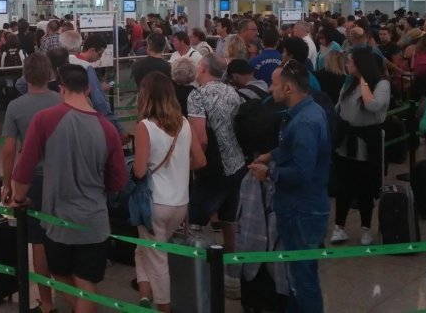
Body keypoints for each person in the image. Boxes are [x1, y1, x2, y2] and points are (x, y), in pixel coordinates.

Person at [11, 64, 127, 313]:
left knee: (58, 273)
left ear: (61, 89)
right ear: (88, 89)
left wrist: (18, 197)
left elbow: (24, 167)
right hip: (94, 221)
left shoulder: (45, 120)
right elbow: (118, 181)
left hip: (58, 220)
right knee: (87, 283)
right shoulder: (107, 129)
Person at [248, 60, 331, 313]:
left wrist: (270, 173)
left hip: (302, 210)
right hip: (299, 206)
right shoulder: (304, 114)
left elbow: (303, 172)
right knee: (296, 275)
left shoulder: (305, 122)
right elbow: (293, 150)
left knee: (303, 279)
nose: (270, 89)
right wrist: (271, 155)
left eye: (274, 85)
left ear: (288, 89)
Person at [133, 72, 206, 311]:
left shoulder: (145, 127)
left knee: (158, 258)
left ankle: (163, 306)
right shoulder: (184, 123)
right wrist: (180, 168)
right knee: (144, 248)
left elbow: (140, 171)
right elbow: (200, 160)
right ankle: (145, 296)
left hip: (154, 203)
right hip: (180, 202)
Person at [1, 52, 62, 313]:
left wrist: (7, 183)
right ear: (50, 74)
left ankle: (46, 303)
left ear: (25, 76)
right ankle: (73, 294)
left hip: (33, 181)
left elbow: (8, 150)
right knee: (63, 234)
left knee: (38, 240)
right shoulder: (62, 101)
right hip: (63, 177)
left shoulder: (16, 107)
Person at [186, 53, 245, 294]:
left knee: (195, 222)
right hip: (236, 163)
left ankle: (196, 276)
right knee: (229, 220)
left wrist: (191, 165)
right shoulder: (234, 92)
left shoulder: (197, 96)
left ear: (203, 68)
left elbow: (200, 138)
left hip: (212, 167)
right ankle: (233, 277)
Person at [330, 48, 389, 246]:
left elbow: (373, 105)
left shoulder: (381, 84)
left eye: (350, 62)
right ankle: (339, 226)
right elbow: (338, 107)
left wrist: (363, 81)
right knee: (343, 185)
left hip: (367, 140)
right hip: (346, 139)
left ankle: (366, 228)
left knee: (365, 185)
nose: (347, 65)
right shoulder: (348, 82)